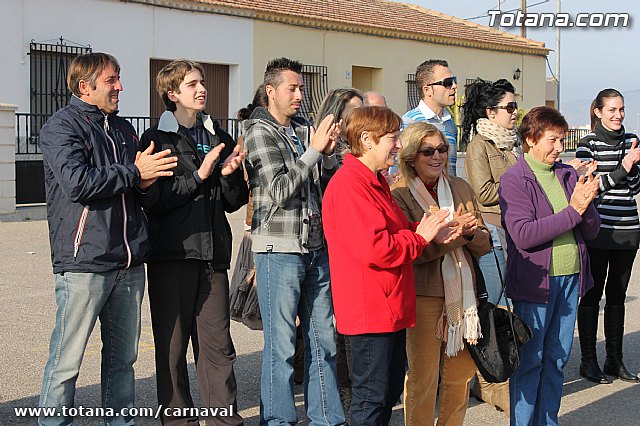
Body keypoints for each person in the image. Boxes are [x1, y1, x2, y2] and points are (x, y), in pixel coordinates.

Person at [38, 52, 177, 426]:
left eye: (119, 78)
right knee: (67, 361)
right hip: (85, 263)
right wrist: (134, 172)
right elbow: (78, 183)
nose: (120, 87)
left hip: (129, 263)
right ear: (86, 87)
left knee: (123, 360)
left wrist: (146, 183)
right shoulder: (60, 128)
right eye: (112, 80)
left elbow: (137, 189)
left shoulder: (124, 129)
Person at [323, 106, 459, 425]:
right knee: (371, 398)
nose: (398, 145)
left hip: (388, 306)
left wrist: (427, 229)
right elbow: (377, 248)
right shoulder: (350, 185)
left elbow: (395, 231)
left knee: (386, 392)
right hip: (369, 309)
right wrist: (422, 237)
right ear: (367, 140)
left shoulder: (374, 181)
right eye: (392, 138)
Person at [138, 59, 247, 425]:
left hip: (213, 257)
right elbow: (155, 202)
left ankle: (223, 420)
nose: (202, 89)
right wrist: (200, 175)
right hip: (172, 257)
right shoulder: (156, 140)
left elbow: (233, 200)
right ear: (172, 94)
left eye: (202, 83)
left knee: (218, 349)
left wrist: (230, 175)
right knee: (171, 351)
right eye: (192, 84)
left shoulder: (218, 136)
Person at [243, 57, 346, 425]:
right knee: (282, 347)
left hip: (316, 249)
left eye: (302, 88)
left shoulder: (304, 128)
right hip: (280, 251)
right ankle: (278, 419)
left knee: (325, 342)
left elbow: (328, 184)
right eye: (293, 88)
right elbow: (280, 189)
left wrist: (329, 155)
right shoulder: (258, 131)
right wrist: (315, 150)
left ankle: (328, 419)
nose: (300, 95)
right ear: (271, 91)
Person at [499, 106, 601, 425]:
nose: (560, 148)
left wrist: (587, 205)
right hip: (536, 283)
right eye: (553, 140)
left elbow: (593, 228)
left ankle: (548, 421)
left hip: (570, 278)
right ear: (530, 139)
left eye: (562, 140)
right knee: (532, 360)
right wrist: (574, 210)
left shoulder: (568, 174)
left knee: (557, 359)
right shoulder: (515, 179)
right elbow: (524, 234)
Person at [392, 122, 491, 425]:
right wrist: (456, 236)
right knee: (423, 380)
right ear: (411, 157)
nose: (438, 156)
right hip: (423, 298)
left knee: (459, 379)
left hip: (464, 299)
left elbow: (485, 244)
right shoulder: (399, 193)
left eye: (443, 149)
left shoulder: (459, 186)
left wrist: (472, 234)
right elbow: (412, 252)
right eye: (428, 151)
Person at [575, 88, 640, 384]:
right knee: (591, 295)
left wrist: (631, 167)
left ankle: (615, 360)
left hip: (628, 229)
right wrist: (624, 167)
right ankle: (589, 361)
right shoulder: (586, 144)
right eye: (612, 110)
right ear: (599, 112)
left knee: (617, 297)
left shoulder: (632, 140)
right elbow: (591, 187)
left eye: (622, 109)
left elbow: (635, 187)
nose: (618, 115)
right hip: (597, 229)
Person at [462, 78, 519, 306]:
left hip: (514, 224)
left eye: (515, 106)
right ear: (491, 112)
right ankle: (487, 341)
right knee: (495, 296)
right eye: (510, 107)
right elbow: (484, 193)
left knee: (511, 293)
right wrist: (520, 184)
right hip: (494, 228)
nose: (515, 112)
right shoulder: (480, 145)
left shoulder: (512, 143)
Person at [403, 59, 459, 176]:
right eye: (447, 83)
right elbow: (400, 171)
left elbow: (451, 171)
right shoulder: (409, 122)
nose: (454, 86)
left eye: (454, 81)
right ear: (427, 90)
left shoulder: (450, 124)